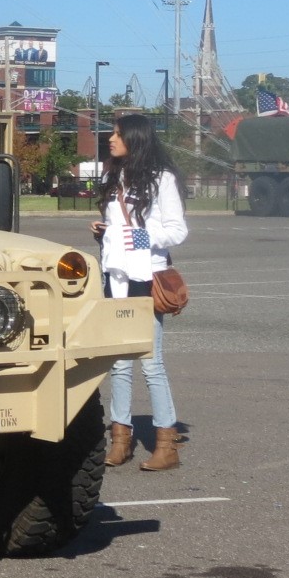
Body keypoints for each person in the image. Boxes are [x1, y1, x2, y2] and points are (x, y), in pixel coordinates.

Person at [88, 113, 188, 471]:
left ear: (135, 139)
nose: (111, 140)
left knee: (151, 363)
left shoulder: (162, 180)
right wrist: (104, 231)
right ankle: (121, 439)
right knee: (118, 362)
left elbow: (177, 231)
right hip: (115, 277)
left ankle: (166, 443)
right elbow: (118, 228)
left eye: (117, 135)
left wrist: (137, 237)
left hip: (147, 277)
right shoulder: (112, 175)